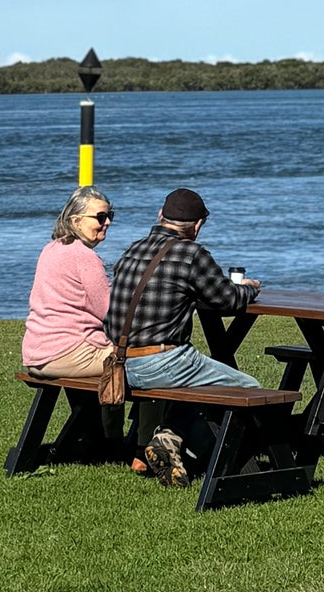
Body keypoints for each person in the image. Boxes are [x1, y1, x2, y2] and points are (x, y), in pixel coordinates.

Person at [106, 187, 261, 487]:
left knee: (202, 385)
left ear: (161, 216)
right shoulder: (191, 254)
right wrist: (251, 288)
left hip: (122, 362)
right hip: (163, 360)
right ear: (198, 225)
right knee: (249, 389)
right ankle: (220, 456)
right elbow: (228, 300)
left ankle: (169, 439)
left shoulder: (132, 249)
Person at [23, 187, 117, 381]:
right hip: (69, 353)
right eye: (100, 217)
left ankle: (87, 413)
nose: (107, 222)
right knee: (152, 362)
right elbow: (110, 312)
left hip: (36, 352)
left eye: (110, 216)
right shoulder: (84, 257)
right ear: (76, 221)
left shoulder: (51, 249)